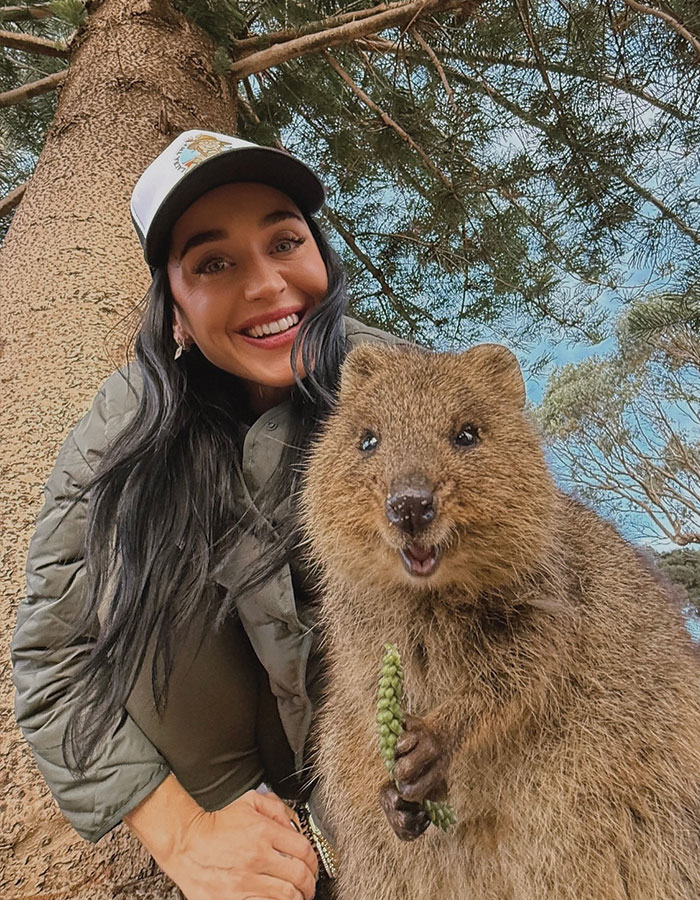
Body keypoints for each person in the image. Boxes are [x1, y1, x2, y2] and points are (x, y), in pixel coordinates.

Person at [11, 130, 400, 900]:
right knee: (143, 563)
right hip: (229, 770)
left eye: (285, 240)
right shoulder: (127, 421)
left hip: (385, 759)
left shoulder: (399, 381)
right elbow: (52, 662)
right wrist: (183, 834)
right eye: (213, 263)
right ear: (177, 313)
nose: (265, 285)